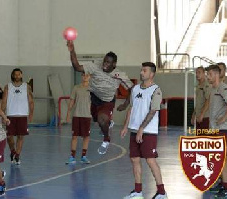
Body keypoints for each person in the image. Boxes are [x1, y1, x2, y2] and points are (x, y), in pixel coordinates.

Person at [67, 40, 133, 155]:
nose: (105, 64)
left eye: (108, 63)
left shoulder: (119, 75)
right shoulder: (95, 67)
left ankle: (106, 140)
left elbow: (132, 89)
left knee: (102, 119)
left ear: (114, 64)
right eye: (104, 61)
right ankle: (108, 122)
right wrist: (72, 50)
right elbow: (77, 67)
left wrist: (126, 104)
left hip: (107, 101)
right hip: (94, 98)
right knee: (97, 120)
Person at [120, 62, 167, 199]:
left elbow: (153, 111)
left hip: (149, 132)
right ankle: (138, 191)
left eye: (144, 71)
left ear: (151, 74)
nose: (141, 73)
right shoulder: (135, 89)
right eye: (141, 70)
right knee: (135, 159)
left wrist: (141, 129)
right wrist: (125, 126)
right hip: (134, 130)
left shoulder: (156, 90)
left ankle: (162, 192)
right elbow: (131, 109)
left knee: (150, 160)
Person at [206, 65, 227, 198]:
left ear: (216, 75)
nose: (208, 76)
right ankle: (221, 184)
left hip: (223, 129)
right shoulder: (213, 89)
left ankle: (226, 188)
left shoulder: (223, 88)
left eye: (210, 74)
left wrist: (224, 118)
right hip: (214, 130)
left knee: (222, 159)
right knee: (218, 159)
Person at [1, 68, 34, 165]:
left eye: (19, 74)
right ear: (12, 75)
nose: (17, 76)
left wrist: (31, 113)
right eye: (15, 74)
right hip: (11, 115)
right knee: (9, 136)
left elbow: (31, 101)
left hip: (23, 115)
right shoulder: (8, 86)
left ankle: (18, 155)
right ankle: (13, 151)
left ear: (21, 75)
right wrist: (2, 115)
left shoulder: (27, 87)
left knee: (21, 136)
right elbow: (4, 101)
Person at [65, 73, 91, 164]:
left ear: (90, 76)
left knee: (86, 137)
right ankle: (72, 157)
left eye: (87, 75)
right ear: (81, 76)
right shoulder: (76, 88)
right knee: (74, 136)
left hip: (87, 116)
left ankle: (83, 156)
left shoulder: (93, 89)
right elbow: (72, 101)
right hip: (76, 115)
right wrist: (68, 114)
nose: (85, 77)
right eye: (83, 75)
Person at [191, 66, 211, 132]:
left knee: (205, 139)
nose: (197, 74)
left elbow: (208, 100)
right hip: (199, 117)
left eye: (199, 72)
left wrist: (202, 114)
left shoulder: (207, 85)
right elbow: (198, 102)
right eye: (196, 73)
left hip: (206, 117)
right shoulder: (198, 86)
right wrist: (194, 115)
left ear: (204, 73)